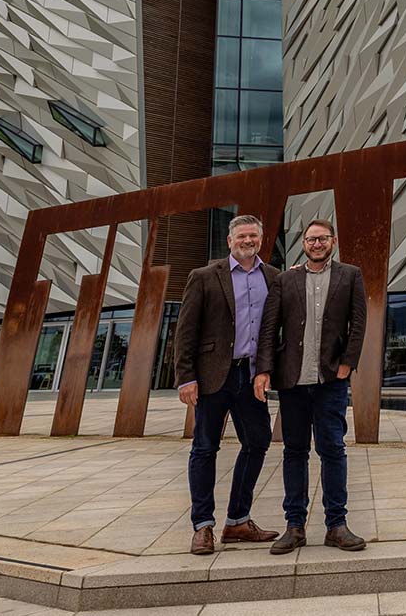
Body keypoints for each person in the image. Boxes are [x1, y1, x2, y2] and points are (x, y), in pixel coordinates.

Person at [255, 218, 367, 554]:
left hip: (330, 380)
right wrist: (264, 370)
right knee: (294, 452)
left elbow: (359, 321)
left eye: (322, 238)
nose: (316, 244)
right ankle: (295, 526)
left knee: (332, 449)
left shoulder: (350, 275)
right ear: (303, 243)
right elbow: (269, 327)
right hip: (292, 381)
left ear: (333, 241)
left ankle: (336, 525)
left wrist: (348, 363)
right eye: (310, 239)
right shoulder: (286, 279)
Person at [173, 214, 282, 556]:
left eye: (253, 236)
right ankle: (202, 526)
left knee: (258, 441)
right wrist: (186, 377)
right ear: (230, 240)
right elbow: (185, 331)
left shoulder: (273, 278)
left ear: (260, 240)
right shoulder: (205, 276)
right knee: (205, 447)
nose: (248, 241)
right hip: (211, 377)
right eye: (242, 236)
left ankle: (237, 520)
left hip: (251, 377)